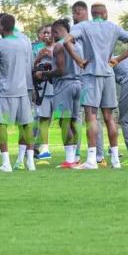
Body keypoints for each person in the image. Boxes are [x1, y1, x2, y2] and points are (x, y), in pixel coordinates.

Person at [64, 2, 128, 170]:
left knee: (91, 116)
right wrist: (118, 59)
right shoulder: (113, 27)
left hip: (91, 74)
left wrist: (79, 60)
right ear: (105, 13)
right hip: (108, 73)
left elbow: (67, 40)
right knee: (109, 118)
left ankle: (92, 160)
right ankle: (115, 159)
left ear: (92, 14)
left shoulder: (84, 26)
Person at [0, 14, 35, 172]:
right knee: (26, 125)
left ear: (1, 26)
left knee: (1, 125)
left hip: (6, 90)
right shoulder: (24, 41)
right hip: (23, 89)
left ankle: (6, 163)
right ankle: (29, 162)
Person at [36, 18, 83, 169]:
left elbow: (61, 70)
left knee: (64, 122)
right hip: (78, 84)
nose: (52, 36)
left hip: (65, 85)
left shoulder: (59, 45)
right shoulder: (78, 45)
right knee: (74, 121)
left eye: (54, 32)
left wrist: (43, 74)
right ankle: (76, 158)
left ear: (59, 31)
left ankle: (69, 160)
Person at [33, 24, 55, 162]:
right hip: (43, 90)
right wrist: (39, 58)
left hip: (58, 88)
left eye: (49, 32)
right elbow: (32, 67)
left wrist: (51, 55)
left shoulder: (60, 47)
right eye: (44, 32)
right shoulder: (37, 49)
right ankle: (43, 149)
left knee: (65, 119)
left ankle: (73, 154)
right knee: (43, 118)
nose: (46, 35)